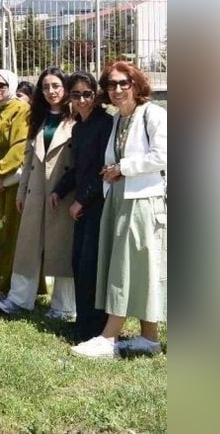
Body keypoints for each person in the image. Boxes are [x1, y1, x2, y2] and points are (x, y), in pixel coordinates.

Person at [71, 62, 167, 359]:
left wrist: (123, 168)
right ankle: (149, 337)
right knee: (135, 266)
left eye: (124, 83)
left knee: (127, 266)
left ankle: (109, 337)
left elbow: (163, 155)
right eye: (111, 85)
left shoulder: (154, 114)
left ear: (136, 84)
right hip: (119, 197)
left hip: (142, 199)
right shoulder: (117, 121)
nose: (117, 89)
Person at [0, 68, 77, 319]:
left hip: (64, 192)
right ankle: (20, 299)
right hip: (35, 190)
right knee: (27, 246)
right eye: (45, 87)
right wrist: (22, 192)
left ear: (65, 88)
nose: (51, 91)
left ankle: (63, 307)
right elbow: (28, 158)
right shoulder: (38, 118)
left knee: (63, 247)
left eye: (56, 86)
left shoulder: (76, 118)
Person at [52, 71, 113, 342]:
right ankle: (83, 323)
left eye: (87, 94)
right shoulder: (78, 127)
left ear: (96, 95)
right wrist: (60, 189)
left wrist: (81, 200)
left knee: (92, 266)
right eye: (75, 94)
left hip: (99, 203)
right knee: (79, 263)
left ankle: (95, 329)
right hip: (83, 203)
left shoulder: (105, 124)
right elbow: (79, 167)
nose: (81, 100)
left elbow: (102, 169)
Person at [0, 69, 30, 295]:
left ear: (11, 85)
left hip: (15, 182)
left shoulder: (21, 110)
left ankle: (8, 285)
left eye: (2, 85)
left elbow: (20, 146)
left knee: (12, 233)